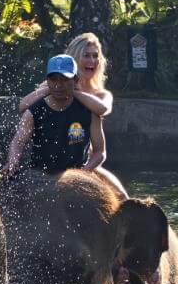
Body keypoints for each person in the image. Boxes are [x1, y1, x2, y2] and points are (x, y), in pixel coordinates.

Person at [18, 33, 128, 199]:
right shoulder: (54, 86)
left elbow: (103, 109)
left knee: (122, 196)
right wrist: (55, 88)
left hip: (86, 162)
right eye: (86, 55)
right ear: (74, 60)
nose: (92, 61)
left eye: (95, 56)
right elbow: (23, 105)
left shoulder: (101, 94)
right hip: (49, 160)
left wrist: (75, 93)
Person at [3, 54, 105, 177]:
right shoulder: (33, 111)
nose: (58, 85)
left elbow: (99, 151)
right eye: (53, 79)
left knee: (119, 195)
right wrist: (13, 161)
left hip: (77, 176)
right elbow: (18, 142)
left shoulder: (89, 112)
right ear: (47, 81)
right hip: (39, 176)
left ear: (75, 80)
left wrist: (83, 173)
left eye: (64, 79)